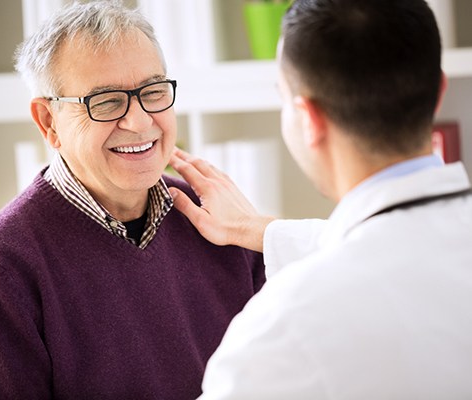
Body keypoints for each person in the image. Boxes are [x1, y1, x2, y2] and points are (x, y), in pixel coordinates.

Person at [168, 0, 472, 398]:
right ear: (439, 91)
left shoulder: (285, 329)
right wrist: (264, 231)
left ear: (308, 118)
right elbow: (403, 248)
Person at [0, 1, 265, 399]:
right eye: (105, 102)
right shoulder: (9, 262)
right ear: (48, 122)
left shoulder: (222, 221)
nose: (139, 122)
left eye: (153, 92)